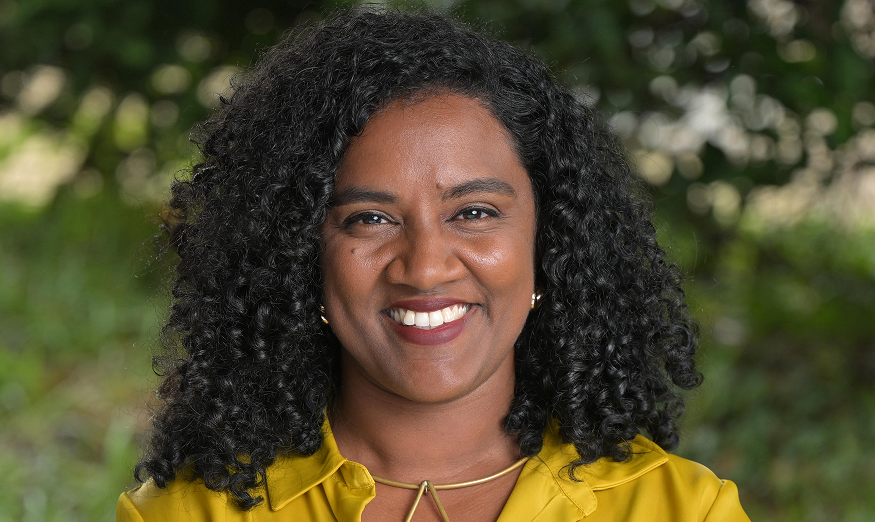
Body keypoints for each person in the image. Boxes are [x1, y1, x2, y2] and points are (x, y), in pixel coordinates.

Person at [117, 7, 749, 522]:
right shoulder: (191, 514)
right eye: (368, 218)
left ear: (549, 241)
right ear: (296, 252)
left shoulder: (678, 511)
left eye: (473, 213)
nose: (424, 268)